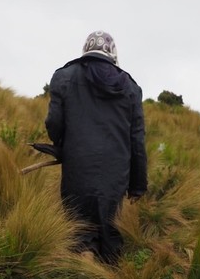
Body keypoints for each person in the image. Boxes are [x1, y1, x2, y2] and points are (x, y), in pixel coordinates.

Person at [45, 30, 147, 264]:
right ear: (112, 54)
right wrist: (137, 184)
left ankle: (83, 273)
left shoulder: (65, 76)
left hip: (78, 165)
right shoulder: (131, 88)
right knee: (110, 228)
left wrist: (61, 146)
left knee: (80, 225)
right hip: (116, 172)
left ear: (86, 49)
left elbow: (53, 121)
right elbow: (137, 140)